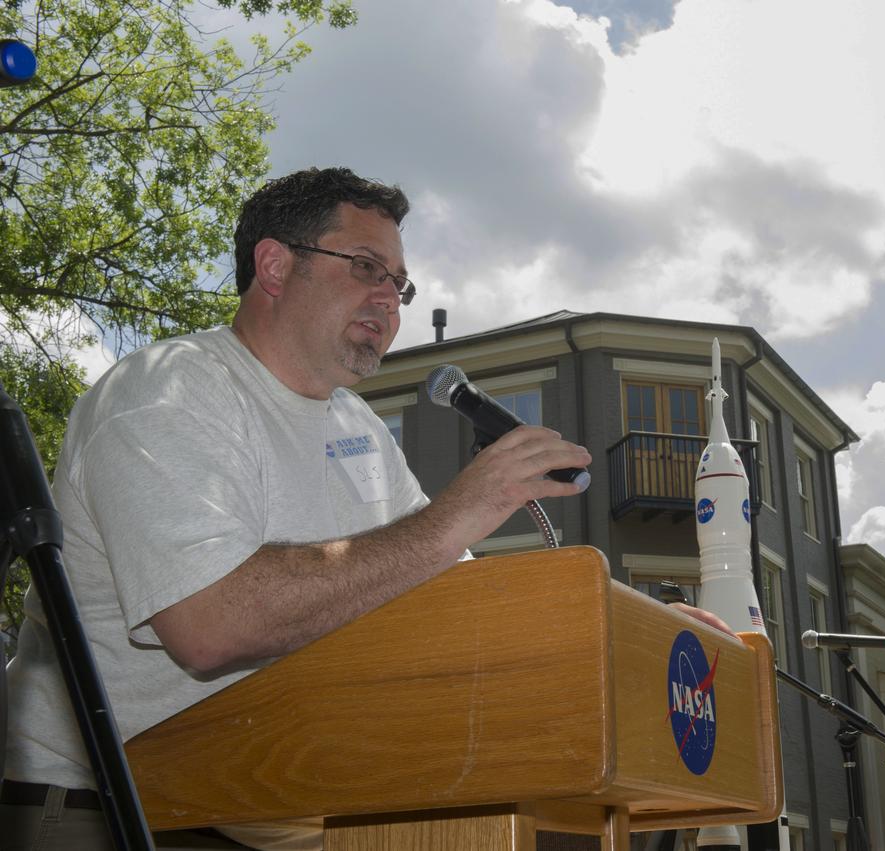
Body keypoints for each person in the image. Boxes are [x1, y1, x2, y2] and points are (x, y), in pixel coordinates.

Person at [0, 167, 729, 851]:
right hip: (105, 809)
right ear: (275, 265)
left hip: (282, 806)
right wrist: (456, 512)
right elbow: (211, 625)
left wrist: (633, 629)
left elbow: (450, 598)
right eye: (365, 268)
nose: (389, 300)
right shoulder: (164, 393)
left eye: (400, 285)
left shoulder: (357, 427)